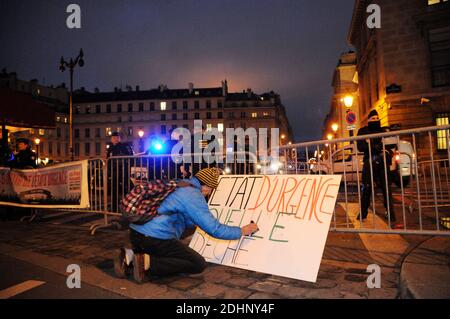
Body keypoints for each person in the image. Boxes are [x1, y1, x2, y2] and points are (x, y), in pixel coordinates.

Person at [114, 167, 259, 283]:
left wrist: (198, 221)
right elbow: (215, 230)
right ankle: (145, 262)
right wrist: (242, 231)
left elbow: (180, 217)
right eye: (210, 190)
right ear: (206, 186)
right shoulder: (192, 195)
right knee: (197, 263)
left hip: (137, 233)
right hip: (154, 238)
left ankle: (130, 255)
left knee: (175, 251)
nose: (209, 194)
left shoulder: (180, 184)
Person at [356, 110, 395, 222]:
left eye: (377, 118)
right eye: (373, 118)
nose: (375, 120)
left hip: (382, 162)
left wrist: (371, 143)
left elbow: (391, 144)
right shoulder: (363, 131)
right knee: (366, 187)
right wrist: (376, 146)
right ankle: (363, 212)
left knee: (386, 188)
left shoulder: (384, 130)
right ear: (368, 120)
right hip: (369, 161)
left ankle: (390, 212)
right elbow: (361, 146)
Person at [107, 132, 134, 212]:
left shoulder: (124, 146)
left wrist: (127, 168)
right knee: (114, 190)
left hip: (123, 171)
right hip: (114, 172)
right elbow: (108, 159)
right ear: (111, 139)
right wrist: (109, 170)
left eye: (116, 137)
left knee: (126, 189)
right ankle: (114, 207)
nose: (115, 139)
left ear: (119, 138)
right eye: (113, 137)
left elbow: (130, 157)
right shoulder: (110, 148)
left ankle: (128, 207)